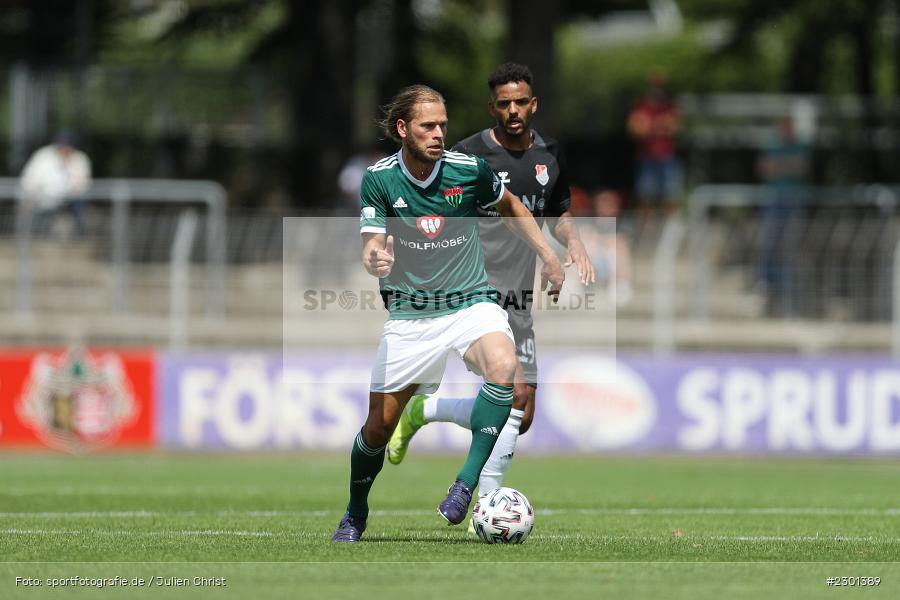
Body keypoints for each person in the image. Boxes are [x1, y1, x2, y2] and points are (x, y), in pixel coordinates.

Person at [331, 84, 565, 542]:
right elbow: (371, 245)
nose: (439, 134)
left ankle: (465, 484)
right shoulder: (379, 178)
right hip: (410, 315)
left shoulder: (468, 170)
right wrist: (375, 258)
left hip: (470, 301)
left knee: (505, 370)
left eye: (443, 125)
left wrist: (548, 254)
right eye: (428, 126)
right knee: (378, 428)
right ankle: (355, 512)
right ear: (403, 129)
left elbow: (512, 206)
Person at [385, 63, 595, 504]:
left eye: (521, 102)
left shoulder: (551, 154)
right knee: (513, 393)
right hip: (474, 290)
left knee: (525, 411)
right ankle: (486, 501)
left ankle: (426, 410)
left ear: (533, 104)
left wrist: (572, 241)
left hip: (519, 295)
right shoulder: (467, 155)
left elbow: (557, 212)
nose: (513, 110)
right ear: (492, 107)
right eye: (504, 104)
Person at [756, 116, 810, 315]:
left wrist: (779, 166)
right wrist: (787, 166)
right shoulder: (773, 145)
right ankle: (768, 283)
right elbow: (766, 169)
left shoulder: (799, 145)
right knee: (769, 242)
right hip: (774, 200)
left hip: (793, 200)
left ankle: (789, 286)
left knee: (790, 246)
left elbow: (800, 168)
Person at [627, 72, 682, 218]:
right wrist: (661, 125)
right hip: (647, 157)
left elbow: (674, 126)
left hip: (667, 156)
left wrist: (650, 125)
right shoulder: (641, 105)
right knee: (645, 196)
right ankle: (646, 229)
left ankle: (671, 229)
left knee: (671, 195)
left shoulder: (670, 105)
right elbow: (636, 129)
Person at [19, 130, 92, 236]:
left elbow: (82, 184)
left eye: (68, 146)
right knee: (37, 216)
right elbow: (30, 179)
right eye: (63, 145)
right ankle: (37, 236)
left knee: (80, 206)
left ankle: (80, 236)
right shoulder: (43, 156)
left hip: (70, 199)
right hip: (44, 198)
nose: (65, 149)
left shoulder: (80, 159)